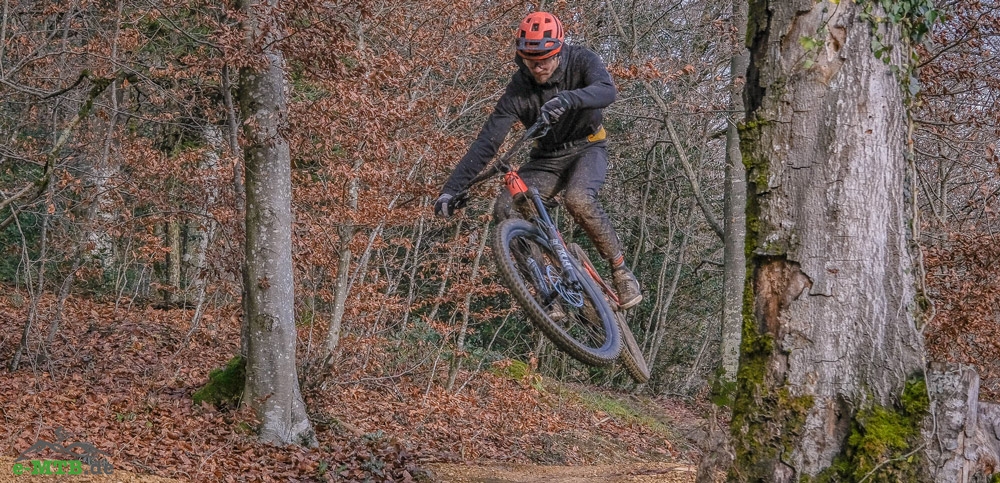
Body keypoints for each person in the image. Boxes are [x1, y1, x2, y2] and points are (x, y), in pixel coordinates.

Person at [433, 11, 641, 309]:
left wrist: (569, 99)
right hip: (547, 159)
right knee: (506, 207)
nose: (539, 66)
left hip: (588, 147)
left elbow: (607, 91)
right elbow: (487, 142)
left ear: (559, 50)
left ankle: (620, 270)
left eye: (545, 58)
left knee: (579, 199)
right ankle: (545, 284)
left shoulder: (582, 60)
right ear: (522, 57)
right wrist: (451, 189)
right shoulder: (518, 91)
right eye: (531, 61)